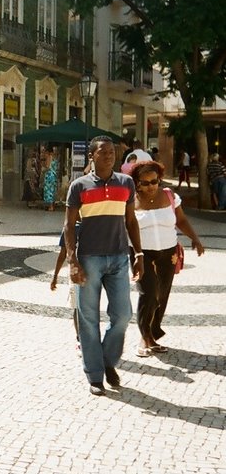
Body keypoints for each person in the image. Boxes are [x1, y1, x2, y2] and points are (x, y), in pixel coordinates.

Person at [64, 135, 144, 396]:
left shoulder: (126, 183)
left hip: (119, 257)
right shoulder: (79, 186)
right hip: (89, 258)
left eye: (112, 152)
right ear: (92, 156)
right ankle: (95, 375)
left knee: (122, 315)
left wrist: (139, 254)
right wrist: (72, 260)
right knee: (88, 319)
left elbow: (131, 221)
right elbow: (69, 226)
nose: (110, 156)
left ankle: (107, 360)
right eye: (104, 152)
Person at [131, 160, 205, 356]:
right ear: (137, 182)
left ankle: (152, 335)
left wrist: (195, 239)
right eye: (145, 183)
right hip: (141, 254)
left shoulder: (170, 196)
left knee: (161, 295)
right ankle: (144, 337)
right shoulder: (130, 200)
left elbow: (180, 220)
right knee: (148, 293)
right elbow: (125, 227)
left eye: (154, 181)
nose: (151, 186)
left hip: (168, 254)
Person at [51, 224, 80, 350]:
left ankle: (90, 338)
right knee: (76, 306)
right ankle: (79, 338)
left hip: (91, 270)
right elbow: (63, 253)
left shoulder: (92, 224)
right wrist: (55, 275)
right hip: (74, 272)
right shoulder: (69, 228)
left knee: (88, 306)